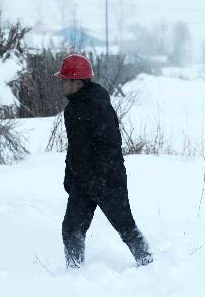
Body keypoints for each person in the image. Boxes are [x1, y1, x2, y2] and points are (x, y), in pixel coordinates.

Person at [57, 54, 153, 268]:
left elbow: (110, 146)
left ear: (77, 81)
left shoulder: (99, 106)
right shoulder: (71, 109)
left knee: (125, 226)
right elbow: (74, 147)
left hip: (108, 180)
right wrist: (70, 174)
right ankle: (73, 272)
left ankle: (148, 263)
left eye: (65, 79)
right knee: (71, 229)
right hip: (83, 181)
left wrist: (99, 178)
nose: (62, 83)